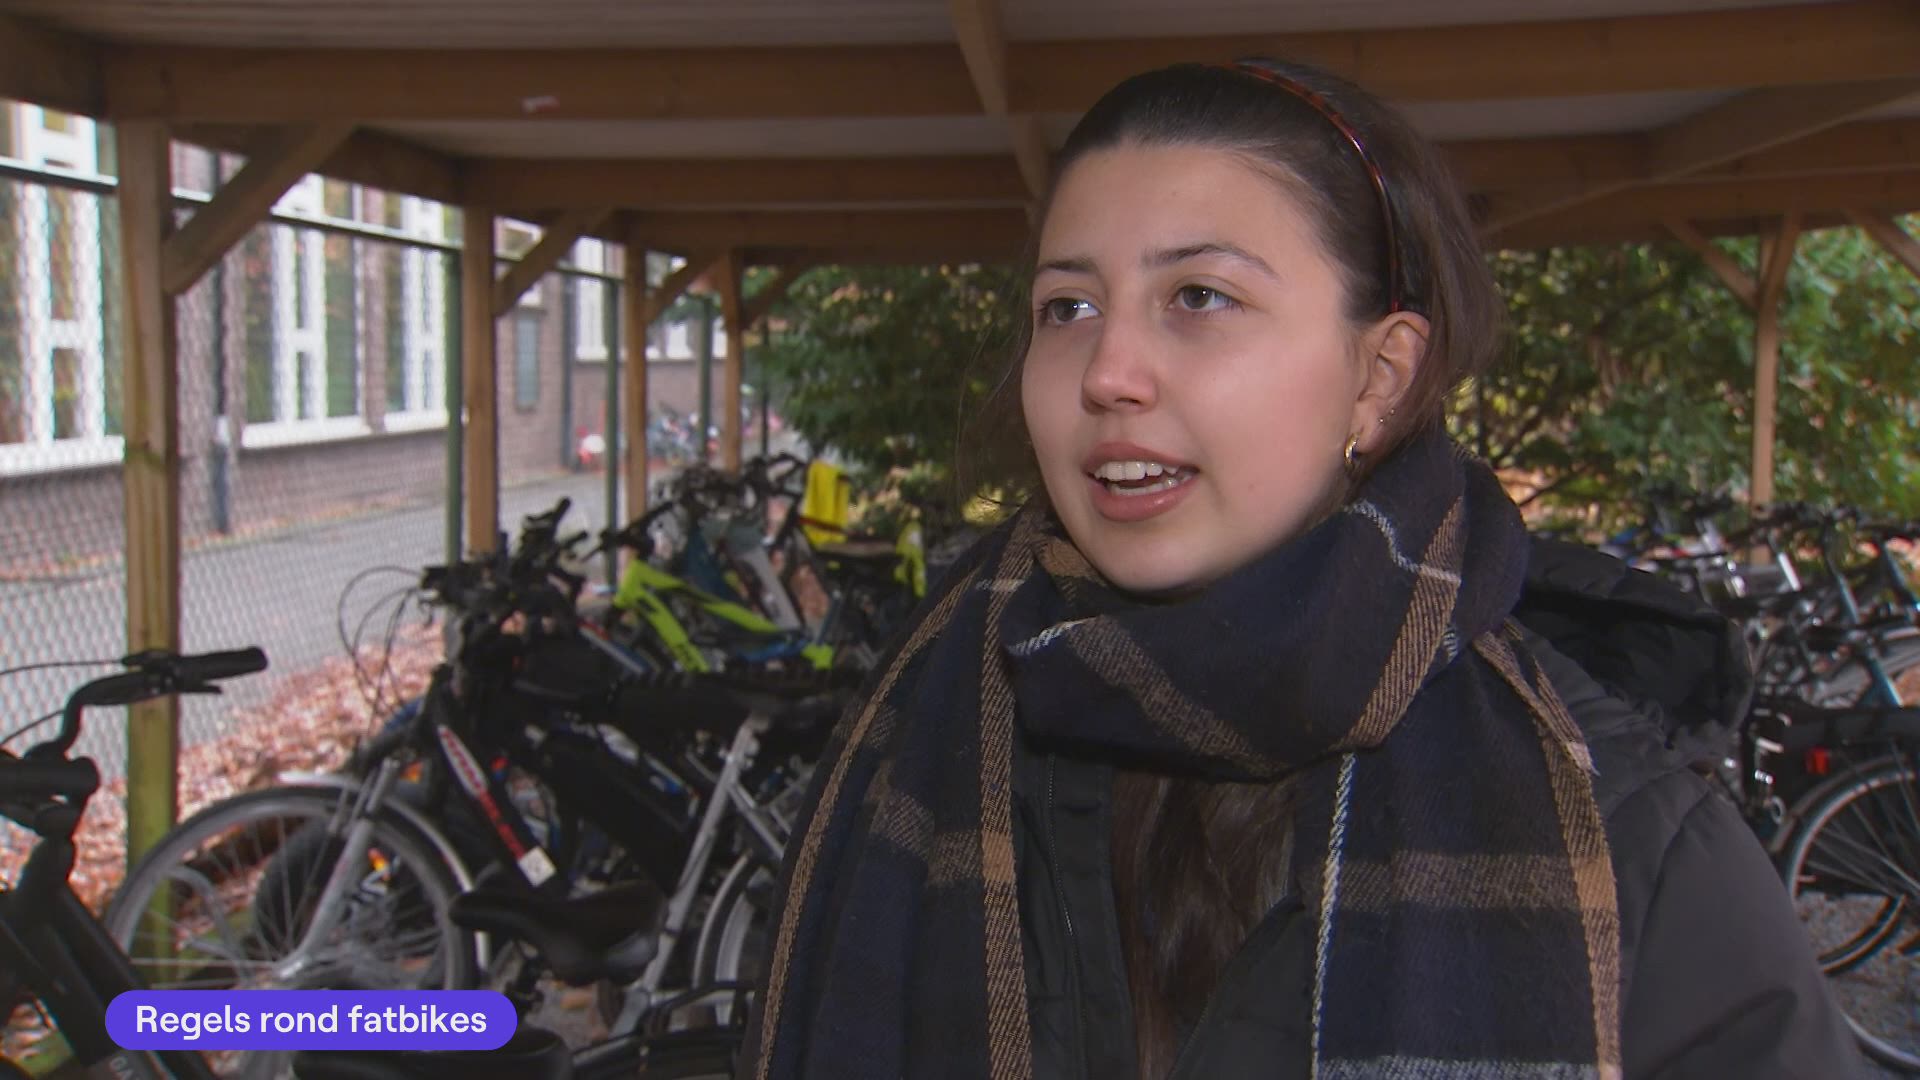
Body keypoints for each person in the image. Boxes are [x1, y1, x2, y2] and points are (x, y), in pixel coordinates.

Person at [742, 58, 1864, 1080]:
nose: (1109, 371)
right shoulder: (917, 743)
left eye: (1200, 296)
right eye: (1068, 307)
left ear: (1379, 377)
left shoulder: (1636, 849)